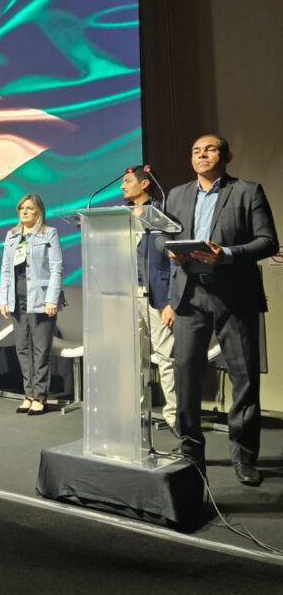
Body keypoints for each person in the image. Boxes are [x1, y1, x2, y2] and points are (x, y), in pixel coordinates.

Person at [157, 135, 278, 485]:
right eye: (196, 151)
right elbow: (162, 236)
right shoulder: (177, 195)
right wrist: (170, 249)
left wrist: (224, 254)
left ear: (226, 155)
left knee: (244, 378)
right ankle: (190, 450)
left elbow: (268, 242)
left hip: (234, 296)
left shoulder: (247, 191)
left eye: (209, 149)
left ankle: (245, 456)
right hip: (189, 296)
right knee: (186, 375)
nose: (202, 155)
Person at [120, 166, 176, 431]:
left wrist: (171, 301)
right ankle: (136, 412)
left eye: (127, 181)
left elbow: (173, 260)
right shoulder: (120, 217)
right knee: (133, 359)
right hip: (127, 296)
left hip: (158, 297)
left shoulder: (161, 214)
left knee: (167, 358)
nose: (122, 186)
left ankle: (174, 416)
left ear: (144, 184)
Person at [0, 194, 63, 415]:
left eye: (29, 208)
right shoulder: (12, 235)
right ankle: (28, 394)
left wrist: (52, 298)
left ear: (39, 212)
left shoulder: (49, 233)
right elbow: (5, 270)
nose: (24, 212)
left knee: (40, 349)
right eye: (21, 208)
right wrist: (4, 299)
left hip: (41, 298)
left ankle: (40, 396)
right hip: (17, 298)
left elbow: (56, 268)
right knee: (22, 348)